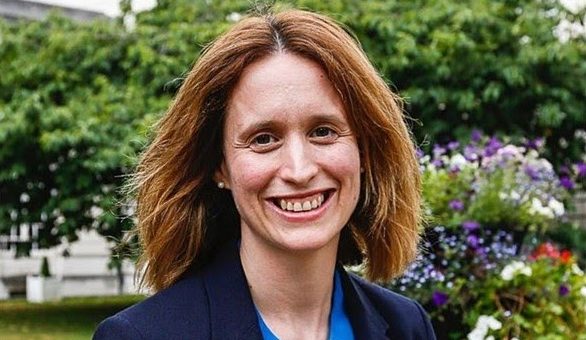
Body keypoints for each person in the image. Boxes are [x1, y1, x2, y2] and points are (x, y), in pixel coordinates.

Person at [94, 8, 436, 340]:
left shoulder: (407, 325)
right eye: (263, 139)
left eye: (323, 131)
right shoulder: (141, 335)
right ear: (220, 166)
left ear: (363, 150)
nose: (299, 170)